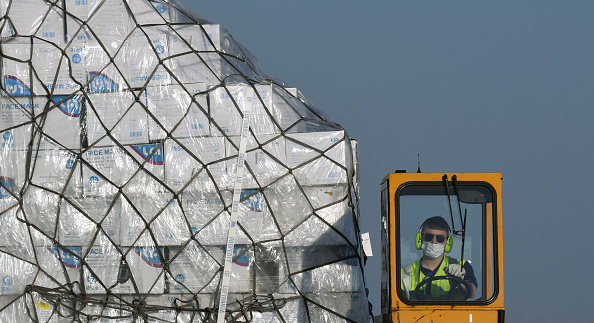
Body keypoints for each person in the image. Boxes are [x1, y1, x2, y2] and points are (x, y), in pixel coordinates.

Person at [401, 216, 477, 300]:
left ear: (447, 243)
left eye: (440, 238)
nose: (434, 241)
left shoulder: (462, 266)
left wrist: (460, 283)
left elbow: (472, 293)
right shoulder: (404, 274)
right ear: (420, 239)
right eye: (429, 237)